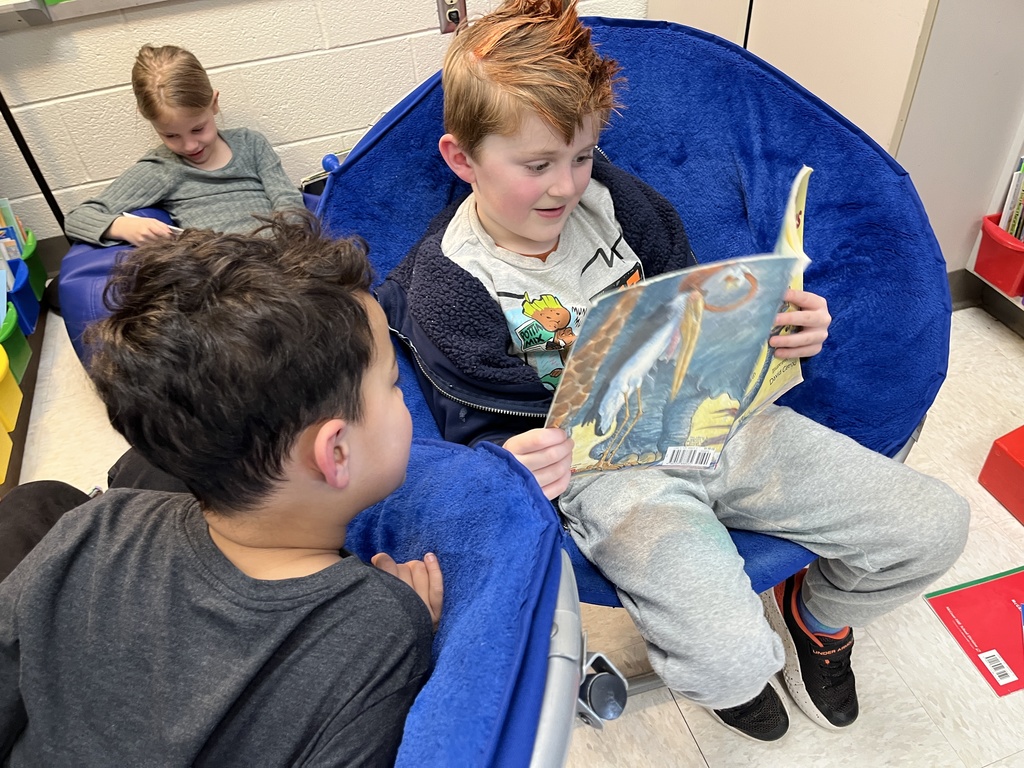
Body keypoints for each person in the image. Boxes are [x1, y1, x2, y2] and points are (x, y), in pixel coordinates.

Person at [377, 0, 970, 743]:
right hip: (612, 476)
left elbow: (689, 298)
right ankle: (728, 669)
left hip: (718, 418)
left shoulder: (614, 199)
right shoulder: (449, 287)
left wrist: (781, 329)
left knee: (935, 527)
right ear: (462, 159)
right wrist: (507, 465)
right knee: (729, 660)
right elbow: (463, 434)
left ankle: (815, 617)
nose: (565, 187)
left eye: (581, 155)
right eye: (536, 166)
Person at [0, 211, 443, 765]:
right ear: (335, 452)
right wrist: (406, 622)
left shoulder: (95, 521)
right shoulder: (381, 624)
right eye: (393, 385)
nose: (402, 400)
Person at [64, 44, 304, 247]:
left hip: (282, 252)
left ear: (214, 104)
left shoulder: (251, 143)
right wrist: (123, 226)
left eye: (198, 129)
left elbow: (286, 199)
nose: (189, 146)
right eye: (170, 135)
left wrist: (289, 241)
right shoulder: (161, 168)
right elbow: (77, 218)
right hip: (224, 271)